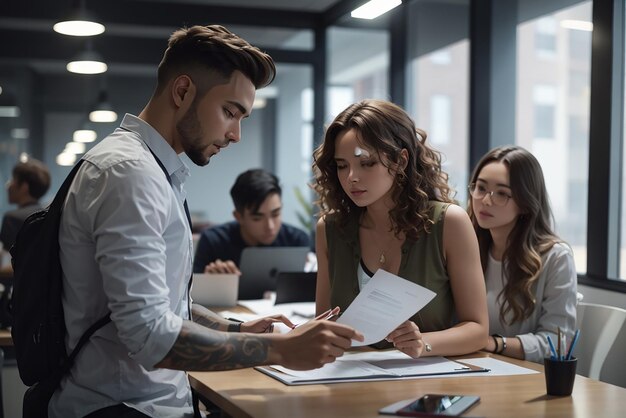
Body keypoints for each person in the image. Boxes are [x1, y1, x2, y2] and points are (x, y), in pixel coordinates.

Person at [53, 25, 362, 418]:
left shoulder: (153, 169)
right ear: (182, 92)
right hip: (124, 407)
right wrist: (284, 349)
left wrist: (234, 329)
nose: (235, 134)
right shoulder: (129, 174)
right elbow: (150, 336)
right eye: (230, 112)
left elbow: (166, 303)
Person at [312, 99, 488, 359]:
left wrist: (423, 343)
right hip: (348, 381)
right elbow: (323, 324)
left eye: (366, 163)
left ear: (400, 160)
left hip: (427, 386)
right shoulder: (330, 229)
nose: (351, 177)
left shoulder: (450, 223)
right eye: (342, 165)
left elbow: (477, 329)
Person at [467, 145, 577, 363]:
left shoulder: (556, 257)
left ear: (525, 204)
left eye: (502, 194)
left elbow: (557, 342)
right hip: (470, 365)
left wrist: (495, 343)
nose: (486, 201)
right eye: (480, 188)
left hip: (525, 378)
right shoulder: (467, 246)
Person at [193, 168, 310, 274]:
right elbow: (192, 292)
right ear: (238, 217)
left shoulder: (297, 241)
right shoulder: (213, 241)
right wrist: (208, 281)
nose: (270, 226)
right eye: (257, 218)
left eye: (276, 214)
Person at [0, 159, 50, 253]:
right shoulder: (48, 215)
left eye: (13, 179)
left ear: (24, 187)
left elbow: (9, 262)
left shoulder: (12, 219)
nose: (8, 185)